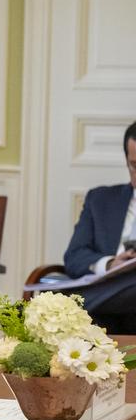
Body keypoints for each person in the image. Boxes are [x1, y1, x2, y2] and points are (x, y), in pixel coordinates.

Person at [62, 119, 136, 333]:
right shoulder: (100, 200)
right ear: (126, 161)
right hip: (106, 306)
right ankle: (76, 303)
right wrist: (111, 263)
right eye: (135, 165)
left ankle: (69, 303)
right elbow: (74, 257)